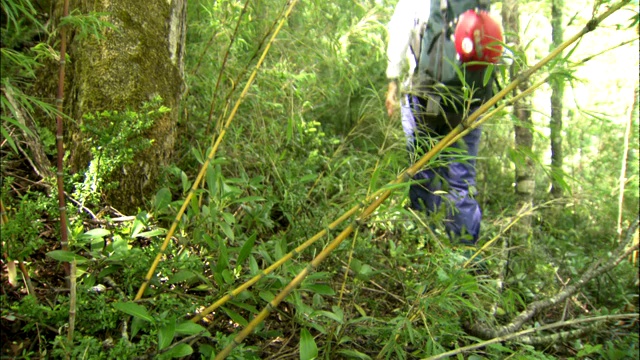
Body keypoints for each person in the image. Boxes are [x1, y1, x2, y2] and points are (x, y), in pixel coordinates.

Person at [385, 0, 502, 245]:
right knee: (461, 181)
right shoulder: (480, 3)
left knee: (422, 168)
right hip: (471, 99)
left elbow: (400, 32)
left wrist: (393, 81)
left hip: (425, 96)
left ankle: (423, 242)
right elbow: (498, 50)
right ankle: (463, 253)